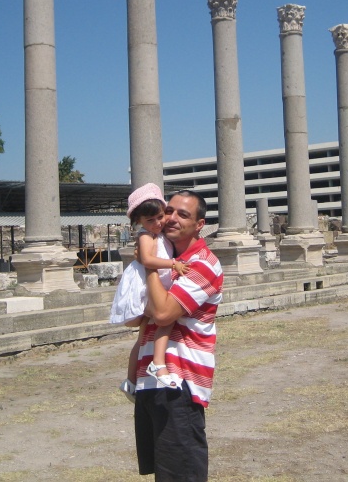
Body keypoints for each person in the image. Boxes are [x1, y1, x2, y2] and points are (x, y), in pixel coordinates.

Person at [134, 190, 224, 482]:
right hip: (149, 380)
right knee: (164, 472)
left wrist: (149, 264)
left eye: (183, 214)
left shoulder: (202, 263)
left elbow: (161, 314)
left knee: (182, 473)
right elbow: (132, 315)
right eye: (168, 210)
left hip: (179, 382)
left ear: (200, 224)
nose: (171, 218)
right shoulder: (169, 259)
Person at [110, 183, 190, 398]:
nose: (157, 223)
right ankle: (158, 363)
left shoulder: (159, 233)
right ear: (139, 222)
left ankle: (130, 381)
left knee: (144, 335)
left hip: (154, 283)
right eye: (150, 220)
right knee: (166, 319)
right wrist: (174, 264)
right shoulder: (146, 236)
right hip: (146, 286)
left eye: (160, 217)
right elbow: (147, 259)